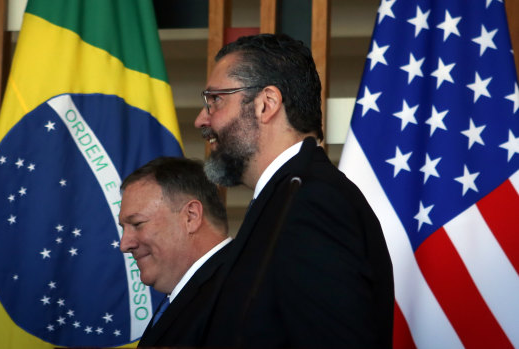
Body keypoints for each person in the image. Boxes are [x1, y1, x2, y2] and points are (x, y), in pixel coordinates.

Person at [194, 33, 394, 348]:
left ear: (266, 104)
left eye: (215, 100)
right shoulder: (286, 195)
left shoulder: (313, 202)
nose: (201, 119)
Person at [118, 156, 231, 347]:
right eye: (124, 228)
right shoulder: (198, 294)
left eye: (137, 224)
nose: (124, 245)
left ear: (191, 216)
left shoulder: (237, 295)